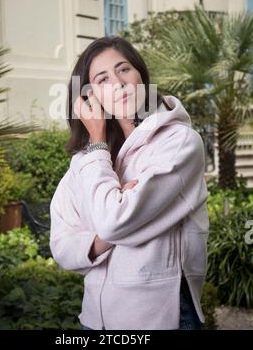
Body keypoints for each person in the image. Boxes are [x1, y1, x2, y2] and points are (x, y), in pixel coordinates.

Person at [50, 36, 209, 330]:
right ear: (88, 97)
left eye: (124, 69)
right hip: (94, 323)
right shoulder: (85, 161)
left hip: (161, 319)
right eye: (103, 78)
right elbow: (61, 244)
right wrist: (101, 241)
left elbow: (112, 221)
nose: (119, 83)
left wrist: (111, 220)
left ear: (141, 75)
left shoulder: (180, 142)